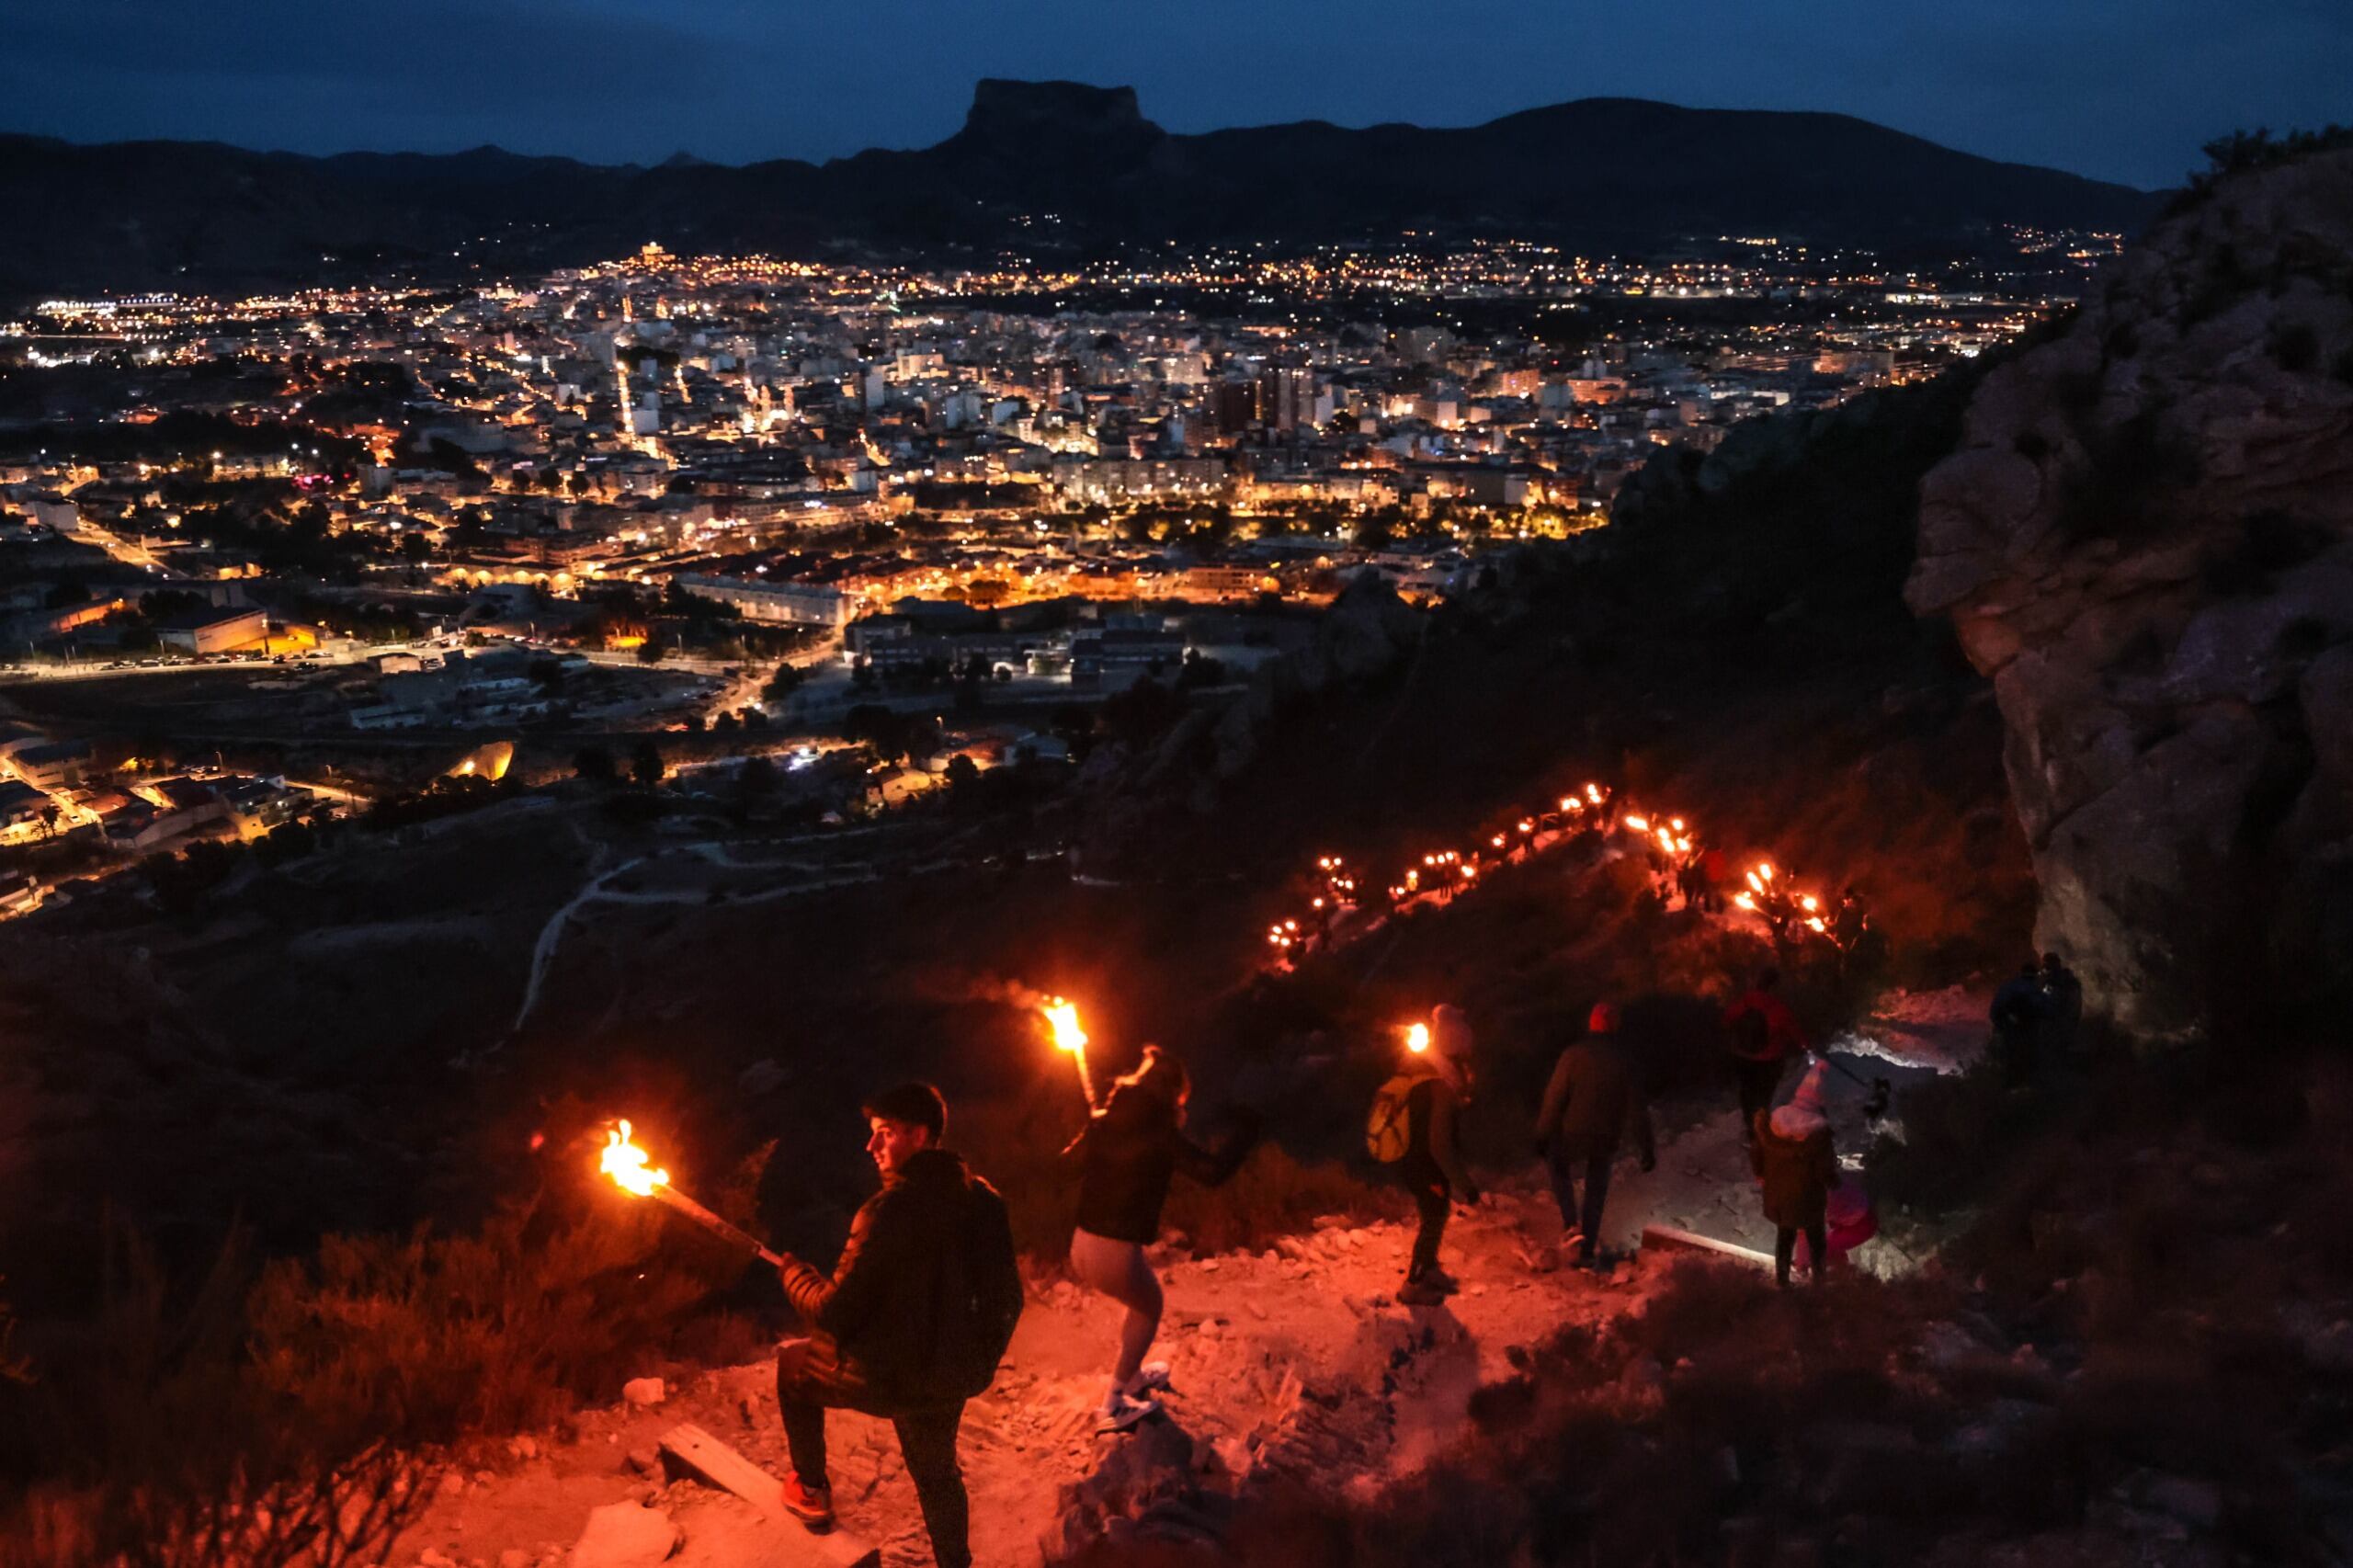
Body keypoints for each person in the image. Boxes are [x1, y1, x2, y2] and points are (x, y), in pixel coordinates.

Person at [772, 1083, 1023, 1568]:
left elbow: (833, 1312)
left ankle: (811, 1488)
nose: (872, 1147)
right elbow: (1007, 1299)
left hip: (886, 1378)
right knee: (936, 1472)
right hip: (951, 1373)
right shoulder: (985, 1201)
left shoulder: (885, 1212)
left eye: (884, 1133)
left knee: (791, 1367)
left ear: (920, 1135)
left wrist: (794, 1275)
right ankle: (955, 1562)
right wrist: (976, 1360)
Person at [1063, 1046, 1259, 1432]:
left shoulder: (1106, 1119)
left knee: (1140, 1303)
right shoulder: (1158, 1133)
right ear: (1173, 1093)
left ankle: (1132, 1377)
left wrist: (1091, 1130)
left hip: (1081, 1244)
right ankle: (1115, 1404)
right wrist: (1248, 1131)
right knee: (1150, 1306)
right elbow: (1211, 1172)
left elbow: (1068, 1165)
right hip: (1113, 1251)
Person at [1370, 1005, 1480, 1303]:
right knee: (1433, 1216)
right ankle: (1413, 1284)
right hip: (1424, 1164)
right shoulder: (1440, 1087)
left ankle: (1429, 1268)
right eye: (1463, 1056)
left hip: (1411, 1160)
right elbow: (1440, 1145)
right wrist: (1466, 1186)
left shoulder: (1422, 1072)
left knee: (1437, 1211)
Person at [1533, 1002, 1656, 1266]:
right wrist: (1646, 1148)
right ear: (1615, 1025)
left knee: (1558, 1165)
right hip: (1605, 1137)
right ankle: (1586, 1248)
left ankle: (1570, 1224)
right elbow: (1637, 1110)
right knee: (1596, 1189)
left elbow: (1554, 1098)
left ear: (1591, 1025)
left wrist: (1542, 1134)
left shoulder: (1573, 1055)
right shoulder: (1625, 1060)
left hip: (1571, 1133)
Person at [1752, 1061, 1841, 1287]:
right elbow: (1824, 1171)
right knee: (1816, 1238)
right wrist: (1834, 1182)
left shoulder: (1775, 1123)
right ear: (1821, 1100)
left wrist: (1760, 1172)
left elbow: (1757, 1150)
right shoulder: (1818, 1135)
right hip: (1807, 1196)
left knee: (1785, 1235)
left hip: (1778, 1193)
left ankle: (1782, 1280)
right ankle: (1819, 1280)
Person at [1723, 968, 1807, 1142]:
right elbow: (1796, 1035)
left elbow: (1727, 1019)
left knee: (1747, 1093)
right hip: (1769, 1061)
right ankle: (1761, 1133)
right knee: (1764, 1097)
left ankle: (1750, 1128)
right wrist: (1807, 1046)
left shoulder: (1744, 1003)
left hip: (1742, 1057)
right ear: (1774, 986)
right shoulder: (1779, 1009)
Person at [1991, 960, 2050, 1085]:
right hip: (2029, 1031)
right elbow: (2046, 1010)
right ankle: (2027, 1089)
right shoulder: (2035, 990)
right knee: (2028, 1059)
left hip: (2009, 1030)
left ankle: (2009, 1089)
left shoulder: (2007, 987)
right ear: (2035, 975)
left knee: (2010, 1059)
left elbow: (1995, 1010)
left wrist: (2000, 1026)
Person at [2039, 950, 2084, 1062]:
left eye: (2047, 965)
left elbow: (2054, 1001)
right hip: (2062, 1023)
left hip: (2060, 1024)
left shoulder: (2060, 982)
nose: (2044, 968)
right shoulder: (2063, 980)